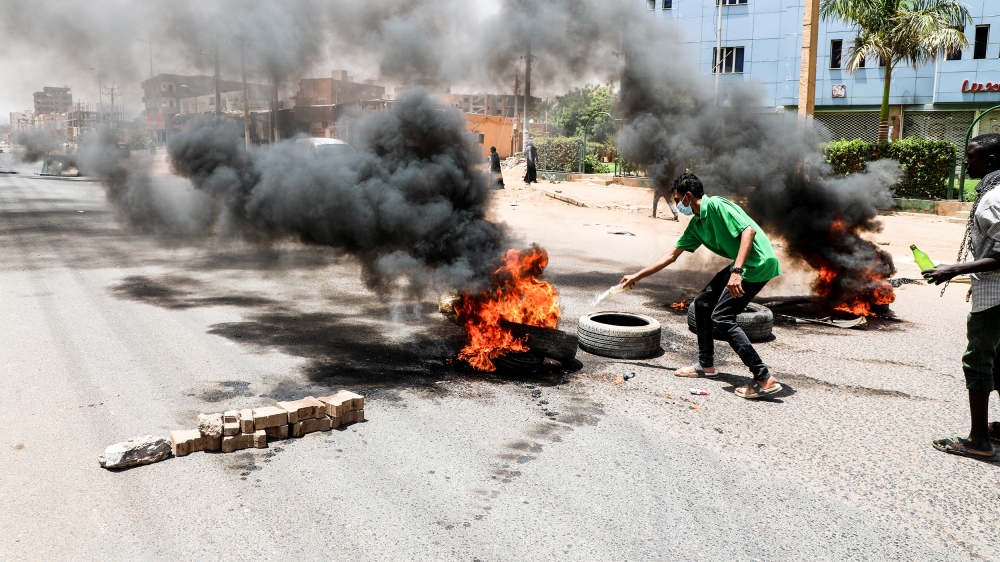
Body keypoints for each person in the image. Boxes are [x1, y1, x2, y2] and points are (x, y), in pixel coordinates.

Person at [620, 172, 783, 399]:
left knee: (722, 317)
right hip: (742, 265)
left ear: (687, 197)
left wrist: (736, 272)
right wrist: (637, 276)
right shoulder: (697, 224)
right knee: (703, 303)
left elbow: (749, 231)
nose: (677, 206)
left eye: (677, 200)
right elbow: (670, 256)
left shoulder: (716, 205)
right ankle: (706, 365)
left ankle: (764, 378)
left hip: (757, 264)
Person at [925, 133, 1000, 459]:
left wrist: (954, 269)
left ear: (991, 162)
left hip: (994, 298)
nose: (966, 162)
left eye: (971, 156)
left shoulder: (992, 199)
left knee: (978, 362)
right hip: (993, 290)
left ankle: (978, 442)